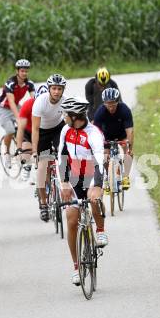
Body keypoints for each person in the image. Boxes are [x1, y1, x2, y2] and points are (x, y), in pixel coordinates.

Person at [57, 97, 107, 286]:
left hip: (93, 173)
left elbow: (100, 161)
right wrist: (64, 183)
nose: (63, 117)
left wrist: (97, 186)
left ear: (74, 115)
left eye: (65, 113)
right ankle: (77, 266)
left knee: (93, 200)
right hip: (74, 177)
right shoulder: (65, 130)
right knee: (71, 219)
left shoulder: (93, 133)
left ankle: (100, 230)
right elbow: (61, 157)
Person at [31, 74, 67, 222]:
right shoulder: (40, 102)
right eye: (54, 88)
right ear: (49, 89)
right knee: (42, 167)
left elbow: (68, 125)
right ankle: (44, 204)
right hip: (43, 131)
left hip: (58, 129)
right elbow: (35, 129)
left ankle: (64, 185)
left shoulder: (65, 102)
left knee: (64, 155)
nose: (57, 92)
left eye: (59, 89)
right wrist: (34, 152)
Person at [0, 59, 35, 168]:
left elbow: (34, 99)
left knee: (29, 124)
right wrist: (18, 117)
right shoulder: (10, 83)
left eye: (26, 71)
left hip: (16, 106)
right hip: (4, 108)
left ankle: (25, 147)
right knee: (10, 130)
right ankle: (7, 153)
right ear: (17, 71)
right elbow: (11, 102)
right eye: (22, 71)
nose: (24, 73)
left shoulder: (29, 83)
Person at [94, 88, 133, 191]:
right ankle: (107, 177)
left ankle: (125, 177)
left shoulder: (124, 110)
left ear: (117, 101)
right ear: (104, 103)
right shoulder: (100, 111)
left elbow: (130, 131)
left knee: (127, 150)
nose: (110, 107)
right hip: (106, 136)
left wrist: (130, 146)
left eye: (113, 104)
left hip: (121, 134)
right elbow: (95, 131)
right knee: (105, 155)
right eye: (108, 104)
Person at [16, 84, 48, 181]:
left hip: (44, 132)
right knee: (26, 153)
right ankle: (27, 167)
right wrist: (19, 147)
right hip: (29, 132)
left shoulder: (52, 106)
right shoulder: (27, 105)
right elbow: (21, 128)